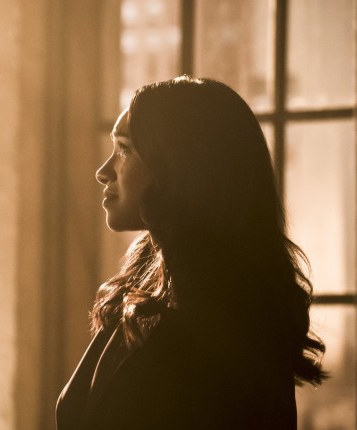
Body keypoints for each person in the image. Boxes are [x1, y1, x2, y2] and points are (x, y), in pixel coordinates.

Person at [56, 76, 326, 430]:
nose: (103, 172)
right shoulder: (139, 291)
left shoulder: (235, 322)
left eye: (124, 150)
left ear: (177, 164)